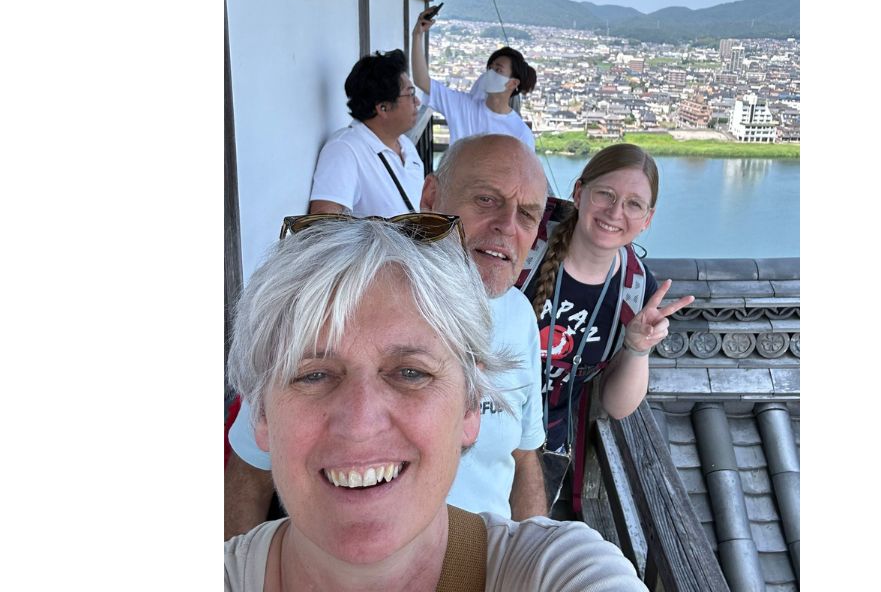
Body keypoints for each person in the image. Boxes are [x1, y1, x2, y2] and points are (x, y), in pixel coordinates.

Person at [224, 216, 647, 591]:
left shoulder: (557, 571)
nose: (360, 423)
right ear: (260, 414)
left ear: (470, 405)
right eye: (313, 375)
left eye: (411, 372)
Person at [226, 134, 551, 537]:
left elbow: (523, 456)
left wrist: (535, 548)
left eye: (527, 215)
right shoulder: (346, 299)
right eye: (486, 200)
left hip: (482, 559)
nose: (507, 226)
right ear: (430, 197)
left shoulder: (520, 316)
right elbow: (251, 470)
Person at [515, 144, 695, 509]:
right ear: (579, 192)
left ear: (647, 219)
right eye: (606, 195)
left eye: (633, 204)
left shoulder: (636, 290)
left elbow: (617, 405)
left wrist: (638, 348)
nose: (615, 212)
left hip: (544, 449)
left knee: (520, 542)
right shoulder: (525, 242)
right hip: (477, 423)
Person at [308, 48, 425, 215]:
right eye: (410, 93)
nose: (417, 101)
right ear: (383, 107)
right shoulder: (345, 150)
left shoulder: (405, 145)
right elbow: (324, 224)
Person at [411, 8, 536, 149]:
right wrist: (417, 34)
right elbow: (421, 81)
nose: (490, 73)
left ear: (513, 83)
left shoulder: (520, 133)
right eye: (490, 68)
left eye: (498, 70)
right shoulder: (463, 106)